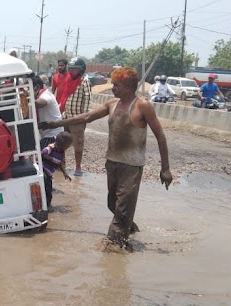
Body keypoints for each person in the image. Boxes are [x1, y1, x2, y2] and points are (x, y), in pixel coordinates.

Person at [39, 66, 173, 252]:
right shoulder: (112, 104)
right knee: (113, 203)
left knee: (122, 209)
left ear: (128, 86)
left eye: (116, 85)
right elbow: (87, 116)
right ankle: (130, 228)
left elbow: (160, 136)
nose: (112, 88)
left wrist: (165, 168)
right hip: (112, 162)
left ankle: (114, 247)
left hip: (132, 166)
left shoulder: (143, 106)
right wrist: (57, 123)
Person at [57, 57, 92, 176]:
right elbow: (64, 97)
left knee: (78, 143)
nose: (72, 71)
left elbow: (87, 99)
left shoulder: (84, 81)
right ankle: (62, 164)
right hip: (66, 116)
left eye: (75, 69)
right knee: (61, 142)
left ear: (81, 70)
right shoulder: (69, 79)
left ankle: (78, 167)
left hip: (78, 119)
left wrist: (85, 117)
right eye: (71, 69)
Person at [41, 132, 73, 209]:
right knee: (47, 191)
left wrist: (65, 173)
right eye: (68, 145)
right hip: (43, 171)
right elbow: (42, 152)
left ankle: (46, 206)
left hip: (49, 174)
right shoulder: (51, 148)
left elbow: (60, 163)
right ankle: (45, 208)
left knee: (49, 192)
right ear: (62, 144)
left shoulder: (61, 152)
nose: (68, 147)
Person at [31, 75, 63, 148]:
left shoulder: (45, 94)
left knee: (44, 155)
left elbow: (40, 103)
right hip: (48, 133)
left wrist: (28, 99)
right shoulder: (41, 94)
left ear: (36, 88)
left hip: (52, 134)